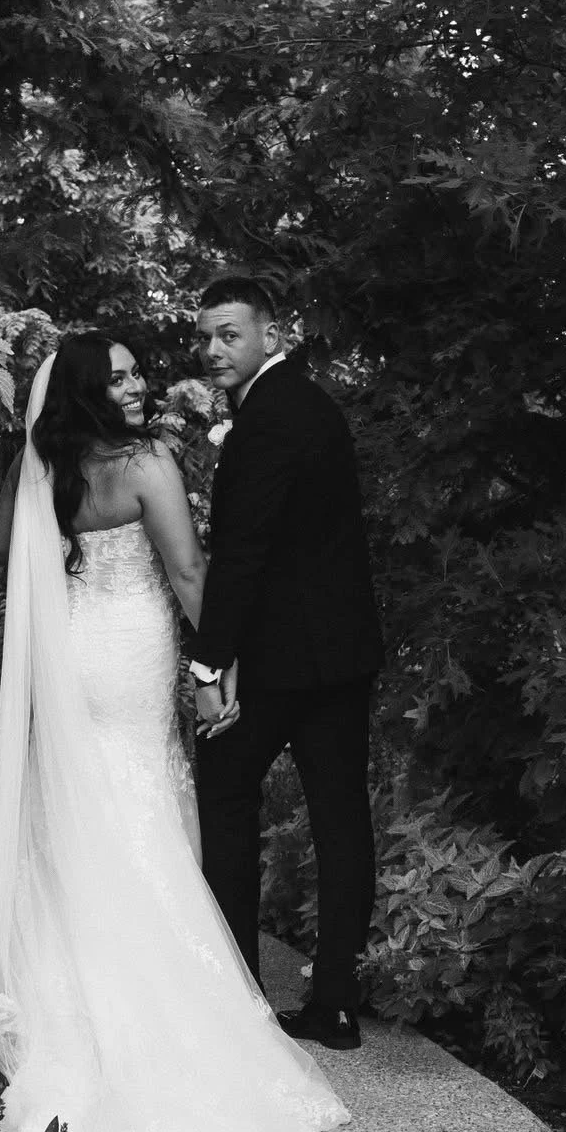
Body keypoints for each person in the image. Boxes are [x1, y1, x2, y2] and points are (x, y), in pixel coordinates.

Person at [0, 331, 389, 1132]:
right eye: (121, 376)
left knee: (87, 814)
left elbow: (1, 553)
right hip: (130, 650)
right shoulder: (147, 463)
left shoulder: (37, 467)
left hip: (70, 650)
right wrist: (218, 666)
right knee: (146, 808)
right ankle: (169, 1013)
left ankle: (80, 1010)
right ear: (91, 388)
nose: (138, 384)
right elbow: (190, 568)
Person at [189, 276, 383, 1052]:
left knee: (224, 794)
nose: (213, 350)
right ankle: (334, 1003)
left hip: (281, 661)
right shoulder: (310, 404)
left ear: (272, 333)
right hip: (341, 652)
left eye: (229, 334)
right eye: (206, 337)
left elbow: (244, 553)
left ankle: (239, 998)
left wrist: (209, 666)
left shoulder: (268, 420)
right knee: (341, 818)